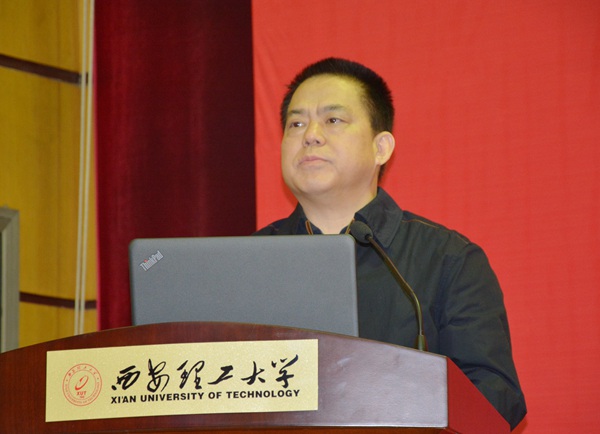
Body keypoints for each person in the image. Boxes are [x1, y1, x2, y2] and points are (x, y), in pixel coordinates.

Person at [254, 57, 527, 430]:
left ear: (381, 148)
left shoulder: (449, 260)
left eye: (333, 120)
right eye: (296, 124)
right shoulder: (246, 264)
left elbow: (494, 399)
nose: (311, 135)